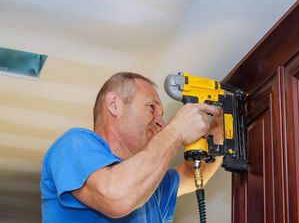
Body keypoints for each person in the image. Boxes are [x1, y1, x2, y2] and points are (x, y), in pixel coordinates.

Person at [40, 72, 223, 222]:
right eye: (151, 107)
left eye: (162, 115)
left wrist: (224, 119)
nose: (162, 124)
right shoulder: (73, 143)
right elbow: (116, 197)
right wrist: (175, 132)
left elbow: (194, 174)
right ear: (114, 105)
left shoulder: (151, 185)